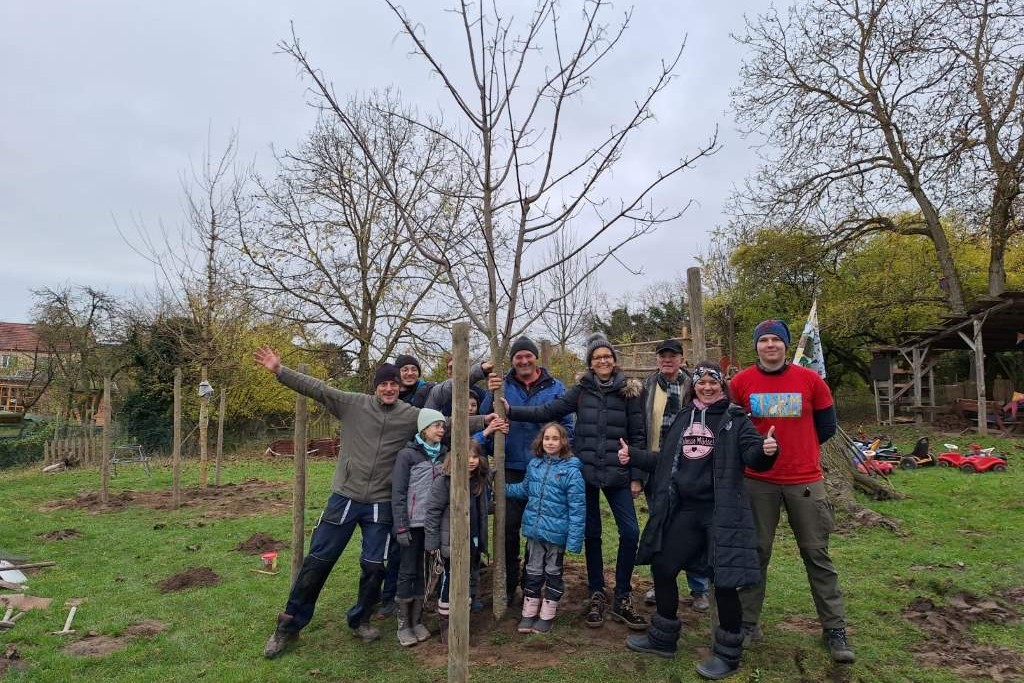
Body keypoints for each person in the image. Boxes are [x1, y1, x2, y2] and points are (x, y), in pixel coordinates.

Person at [255, 347, 494, 659]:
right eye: (384, 383)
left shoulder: (409, 415)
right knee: (318, 560)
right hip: (345, 497)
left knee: (373, 567)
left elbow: (445, 423)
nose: (390, 387)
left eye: (394, 383)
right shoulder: (353, 404)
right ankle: (288, 626)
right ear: (376, 386)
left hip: (380, 503)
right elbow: (317, 388)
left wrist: (482, 420)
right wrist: (279, 370)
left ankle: (360, 618)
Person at [620, 361, 778, 680]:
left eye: (713, 382)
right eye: (701, 382)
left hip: (721, 512)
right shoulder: (684, 416)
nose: (707, 387)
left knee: (725, 581)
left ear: (722, 386)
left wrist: (767, 450)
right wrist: (633, 456)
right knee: (664, 566)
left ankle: (728, 654)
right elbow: (665, 459)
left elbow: (753, 457)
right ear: (694, 385)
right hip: (687, 510)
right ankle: (663, 638)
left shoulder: (735, 419)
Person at [729, 320, 854, 664]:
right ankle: (747, 622)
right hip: (758, 481)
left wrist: (800, 451)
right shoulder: (740, 384)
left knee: (817, 554)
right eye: (764, 340)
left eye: (776, 340)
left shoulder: (811, 381)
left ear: (785, 346)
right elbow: (733, 429)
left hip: (804, 481)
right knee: (756, 553)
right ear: (756, 346)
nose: (770, 346)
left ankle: (834, 628)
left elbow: (826, 427)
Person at [504, 333, 648, 630]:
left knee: (630, 532)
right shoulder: (581, 391)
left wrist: (637, 476)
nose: (603, 361)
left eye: (607, 356)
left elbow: (638, 435)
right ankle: (596, 591)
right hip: (587, 473)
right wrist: (510, 410)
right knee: (592, 533)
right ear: (591, 363)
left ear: (614, 360)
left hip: (618, 474)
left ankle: (622, 594)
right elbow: (548, 412)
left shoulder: (630, 392)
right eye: (597, 358)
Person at [486, 336, 573, 605]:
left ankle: (531, 584)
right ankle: (509, 584)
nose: (524, 361)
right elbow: (485, 424)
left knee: (539, 529)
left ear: (535, 358)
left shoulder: (556, 387)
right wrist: (494, 441)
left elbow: (569, 427)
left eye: (528, 356)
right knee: (508, 529)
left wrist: (558, 455)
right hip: (510, 467)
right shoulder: (500, 387)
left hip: (546, 471)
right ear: (512, 361)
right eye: (518, 357)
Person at [641, 338, 711, 613]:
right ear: (657, 359)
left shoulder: (694, 386)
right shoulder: (646, 387)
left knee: (693, 526)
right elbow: (640, 426)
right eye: (662, 356)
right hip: (657, 466)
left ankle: (699, 587)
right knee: (660, 524)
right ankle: (660, 583)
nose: (667, 360)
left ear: (682, 359)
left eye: (673, 355)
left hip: (691, 466)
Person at [506, 422, 585, 634]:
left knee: (553, 572)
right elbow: (524, 490)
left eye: (555, 439)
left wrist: (574, 540)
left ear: (563, 442)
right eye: (547, 438)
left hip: (556, 535)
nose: (550, 442)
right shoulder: (535, 465)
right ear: (541, 441)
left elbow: (577, 508)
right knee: (532, 570)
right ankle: (528, 612)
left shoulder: (571, 472)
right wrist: (501, 487)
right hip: (534, 531)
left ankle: (547, 614)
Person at [424, 440, 492, 644]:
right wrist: (432, 543)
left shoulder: (479, 481)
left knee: (471, 577)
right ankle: (446, 622)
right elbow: (433, 512)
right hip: (450, 542)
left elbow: (482, 510)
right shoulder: (445, 482)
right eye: (467, 456)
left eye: (475, 456)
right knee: (451, 580)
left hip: (473, 539)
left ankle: (463, 618)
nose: (471, 461)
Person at [391, 408, 449, 647]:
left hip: (432, 524)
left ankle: (418, 619)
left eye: (443, 427)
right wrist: (401, 527)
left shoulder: (445, 454)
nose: (441, 430)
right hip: (412, 524)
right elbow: (398, 492)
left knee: (425, 572)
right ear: (424, 428)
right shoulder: (408, 456)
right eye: (437, 426)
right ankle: (404, 624)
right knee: (408, 571)